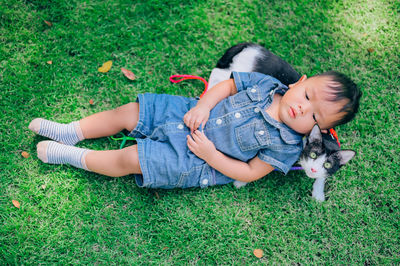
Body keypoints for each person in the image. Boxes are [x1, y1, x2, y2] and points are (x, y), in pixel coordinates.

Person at [28, 71, 361, 189]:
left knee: (132, 159)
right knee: (131, 112)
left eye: (313, 115)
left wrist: (211, 155)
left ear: (317, 130)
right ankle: (72, 130)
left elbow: (246, 172)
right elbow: (227, 87)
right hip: (189, 114)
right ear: (299, 82)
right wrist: (202, 104)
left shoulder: (287, 145)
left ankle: (72, 155)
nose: (303, 107)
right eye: (307, 95)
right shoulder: (267, 85)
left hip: (195, 159)